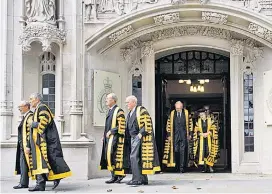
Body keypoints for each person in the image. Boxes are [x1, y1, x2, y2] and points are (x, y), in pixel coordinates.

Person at [28, 93, 72, 191]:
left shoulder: (42, 107)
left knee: (48, 160)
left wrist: (33, 124)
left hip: (45, 140)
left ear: (37, 99)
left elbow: (44, 122)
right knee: (42, 162)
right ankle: (41, 184)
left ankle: (44, 182)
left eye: (31, 99)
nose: (30, 101)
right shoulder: (37, 109)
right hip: (40, 140)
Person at [125, 95, 160, 186]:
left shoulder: (141, 110)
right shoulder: (130, 113)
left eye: (128, 102)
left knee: (134, 157)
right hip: (132, 137)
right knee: (139, 159)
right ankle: (143, 179)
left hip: (138, 137)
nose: (126, 104)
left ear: (133, 102)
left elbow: (147, 123)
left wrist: (140, 134)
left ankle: (136, 179)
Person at [99, 93, 126, 184]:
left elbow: (122, 125)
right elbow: (108, 125)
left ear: (113, 100)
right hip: (109, 138)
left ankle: (120, 174)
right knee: (109, 157)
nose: (106, 100)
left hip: (116, 138)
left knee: (114, 156)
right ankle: (114, 176)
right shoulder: (110, 111)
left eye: (108, 99)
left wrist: (112, 131)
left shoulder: (119, 111)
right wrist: (104, 135)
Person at [162, 101, 193, 173]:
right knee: (176, 151)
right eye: (176, 108)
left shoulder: (186, 113)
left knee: (182, 151)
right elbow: (168, 124)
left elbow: (191, 124)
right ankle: (176, 166)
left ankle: (182, 168)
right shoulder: (172, 113)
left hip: (184, 135)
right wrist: (169, 135)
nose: (177, 109)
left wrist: (190, 134)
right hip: (175, 135)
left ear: (182, 107)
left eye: (179, 108)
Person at [14, 101, 33, 189]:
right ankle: (23, 183)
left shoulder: (30, 116)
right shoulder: (26, 116)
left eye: (20, 106)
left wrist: (28, 146)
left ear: (26, 106)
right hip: (23, 145)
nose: (19, 109)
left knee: (24, 164)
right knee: (23, 164)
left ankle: (23, 183)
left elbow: (31, 132)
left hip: (26, 146)